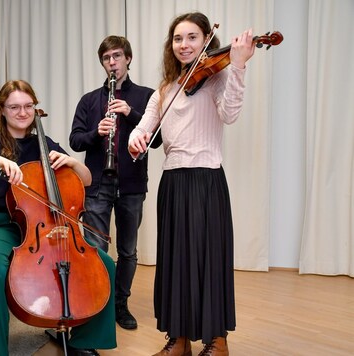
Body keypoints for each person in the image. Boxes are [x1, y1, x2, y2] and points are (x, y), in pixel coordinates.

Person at [128, 12, 256, 356]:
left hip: (206, 179)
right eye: (177, 39)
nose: (184, 45)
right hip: (173, 181)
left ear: (206, 41)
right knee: (174, 262)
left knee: (207, 259)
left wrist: (240, 66)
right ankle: (179, 338)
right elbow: (144, 126)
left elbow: (230, 114)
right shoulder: (166, 89)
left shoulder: (217, 77)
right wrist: (135, 139)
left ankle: (217, 340)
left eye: (192, 37)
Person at [0, 80, 117, 356]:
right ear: (3, 110)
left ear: (35, 107)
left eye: (28, 106)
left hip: (44, 227)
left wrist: (73, 163)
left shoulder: (44, 143)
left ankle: (83, 340)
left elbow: (87, 180)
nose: (22, 112)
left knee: (104, 264)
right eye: (15, 107)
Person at [69, 35, 160, 330]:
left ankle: (121, 304)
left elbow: (157, 140)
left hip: (132, 184)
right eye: (107, 58)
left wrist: (131, 115)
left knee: (128, 251)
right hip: (97, 185)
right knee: (95, 248)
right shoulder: (89, 100)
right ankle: (98, 303)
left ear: (128, 59)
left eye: (117, 56)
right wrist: (96, 132)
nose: (112, 62)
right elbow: (75, 140)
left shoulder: (146, 97)